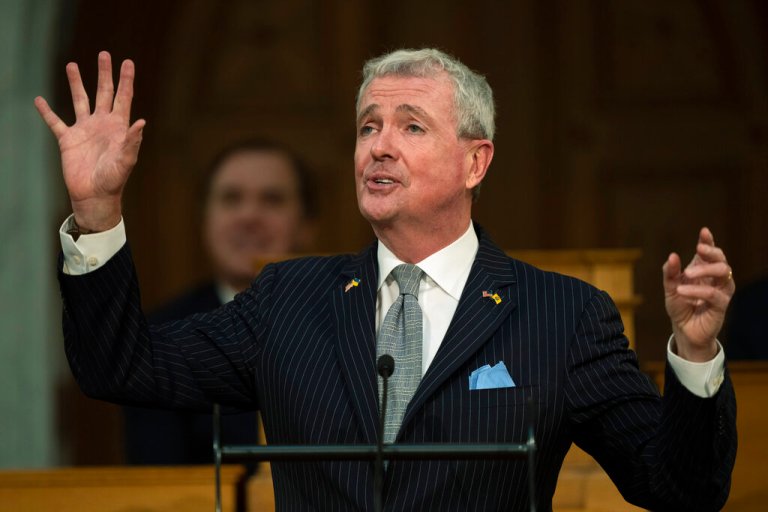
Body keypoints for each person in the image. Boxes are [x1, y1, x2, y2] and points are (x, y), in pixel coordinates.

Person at [36, 49, 736, 511]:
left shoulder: (563, 315)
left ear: (475, 162)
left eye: (412, 126)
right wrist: (97, 214)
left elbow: (678, 487)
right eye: (368, 125)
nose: (379, 144)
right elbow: (122, 366)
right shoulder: (289, 300)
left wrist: (696, 357)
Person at [123, 139, 316, 465]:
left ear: (307, 225)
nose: (249, 215)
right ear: (204, 220)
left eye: (272, 199)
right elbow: (157, 475)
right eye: (231, 198)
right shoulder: (159, 337)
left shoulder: (349, 321)